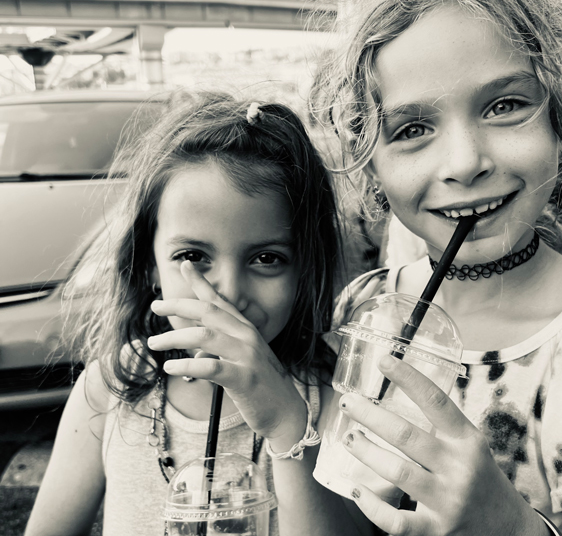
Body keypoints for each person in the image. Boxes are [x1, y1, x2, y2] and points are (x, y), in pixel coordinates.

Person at [310, 0, 562, 535]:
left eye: (505, 105)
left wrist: (509, 526)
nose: (463, 163)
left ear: (561, 114)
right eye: (411, 129)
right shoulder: (363, 309)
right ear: (371, 162)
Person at [24, 93, 371, 536]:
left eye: (266, 258)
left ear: (306, 268)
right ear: (148, 265)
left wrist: (287, 424)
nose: (226, 296)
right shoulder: (109, 387)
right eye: (193, 256)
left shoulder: (332, 396)